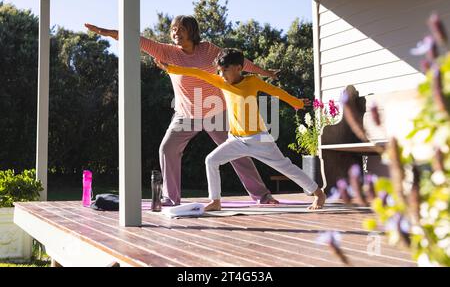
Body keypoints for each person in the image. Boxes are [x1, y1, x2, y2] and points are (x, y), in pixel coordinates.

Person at [85, 16, 278, 206]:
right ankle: (171, 197)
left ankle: (262, 195)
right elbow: (135, 39)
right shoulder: (166, 52)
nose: (176, 32)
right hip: (186, 115)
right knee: (167, 149)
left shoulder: (209, 50)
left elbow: (238, 61)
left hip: (216, 113)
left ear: (192, 31)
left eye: (181, 29)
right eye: (173, 29)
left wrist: (265, 72)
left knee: (238, 152)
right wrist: (103, 32)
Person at [157, 48, 327, 211]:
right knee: (211, 160)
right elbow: (196, 72)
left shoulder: (252, 81)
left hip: (259, 139)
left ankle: (318, 193)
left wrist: (296, 102)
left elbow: (276, 91)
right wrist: (170, 68)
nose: (221, 75)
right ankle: (215, 201)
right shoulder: (221, 81)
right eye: (219, 71)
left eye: (225, 70)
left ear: (239, 68)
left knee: (285, 167)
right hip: (236, 139)